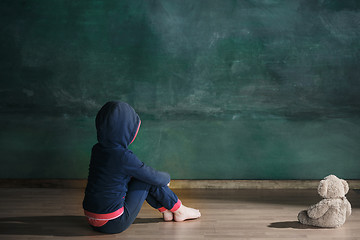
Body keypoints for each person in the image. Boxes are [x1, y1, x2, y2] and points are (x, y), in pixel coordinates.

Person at [82, 101, 201, 234]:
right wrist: (167, 178)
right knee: (146, 178)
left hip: (91, 218)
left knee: (139, 176)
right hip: (113, 223)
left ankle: (167, 210)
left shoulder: (97, 149)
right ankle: (180, 210)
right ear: (126, 130)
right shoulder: (123, 156)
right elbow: (153, 177)